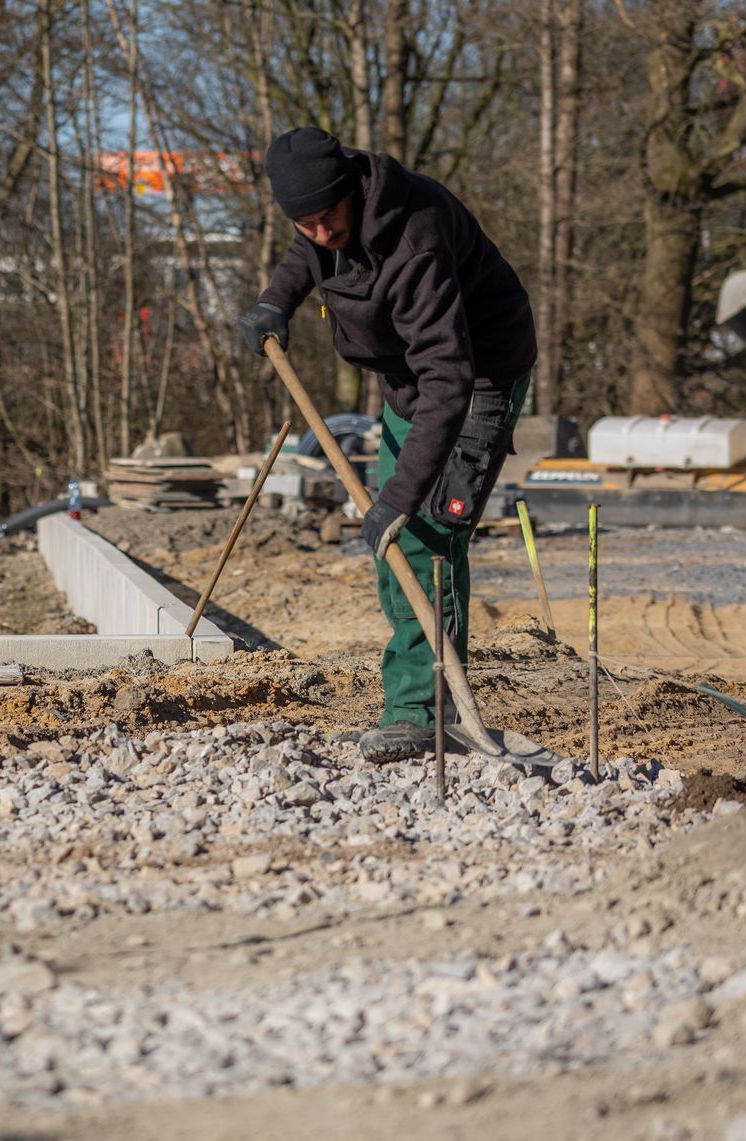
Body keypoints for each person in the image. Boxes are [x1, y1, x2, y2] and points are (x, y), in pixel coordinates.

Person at [239, 126, 536, 764]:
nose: (319, 233)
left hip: (475, 381)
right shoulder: (326, 221)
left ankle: (424, 713)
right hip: (412, 382)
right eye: (304, 222)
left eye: (326, 218)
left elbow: (450, 380)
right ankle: (416, 702)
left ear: (351, 189)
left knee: (426, 536)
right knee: (390, 541)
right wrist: (274, 304)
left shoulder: (414, 238)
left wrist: (400, 495)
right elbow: (306, 256)